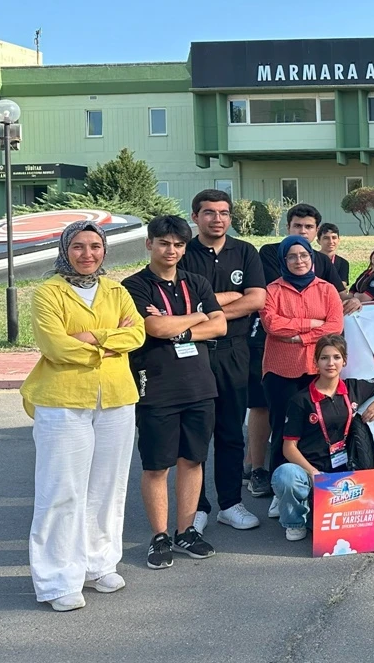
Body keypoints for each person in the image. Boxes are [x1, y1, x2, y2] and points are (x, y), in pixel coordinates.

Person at [20, 221, 145, 611]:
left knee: (108, 487)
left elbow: (137, 334)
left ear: (104, 249)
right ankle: (57, 580)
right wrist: (110, 341)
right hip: (63, 400)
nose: (87, 254)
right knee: (61, 490)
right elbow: (55, 346)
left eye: (95, 246)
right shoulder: (48, 292)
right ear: (65, 249)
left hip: (116, 397)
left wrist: (91, 337)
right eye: (78, 246)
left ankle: (98, 563)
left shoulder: (116, 290)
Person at [124, 215, 228, 569]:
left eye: (179, 245)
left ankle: (186, 531)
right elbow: (154, 326)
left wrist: (181, 328)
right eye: (164, 243)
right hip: (157, 387)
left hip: (199, 385)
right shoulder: (134, 286)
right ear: (149, 244)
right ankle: (159, 536)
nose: (171, 250)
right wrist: (197, 317)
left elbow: (220, 324)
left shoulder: (196, 282)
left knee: (193, 460)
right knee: (157, 466)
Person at [247, 203, 344, 502]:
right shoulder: (272, 290)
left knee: (314, 428)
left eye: (304, 255)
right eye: (292, 256)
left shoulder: (327, 289)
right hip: (281, 370)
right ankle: (282, 490)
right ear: (283, 259)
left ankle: (314, 487)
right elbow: (272, 324)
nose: (299, 261)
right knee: (282, 430)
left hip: (316, 370)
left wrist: (299, 336)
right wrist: (311, 325)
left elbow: (335, 326)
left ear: (312, 258)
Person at [181, 189, 265, 532]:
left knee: (231, 432)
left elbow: (256, 299)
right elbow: (180, 303)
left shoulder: (245, 251)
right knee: (196, 433)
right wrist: (230, 299)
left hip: (234, 351)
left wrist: (208, 311)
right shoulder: (183, 253)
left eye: (224, 213)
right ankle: (196, 508)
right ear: (195, 217)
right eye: (209, 212)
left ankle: (230, 504)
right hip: (194, 352)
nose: (217, 219)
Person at [273, 335, 374, 541]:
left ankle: (315, 509)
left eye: (336, 357)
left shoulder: (353, 388)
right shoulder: (301, 400)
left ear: (344, 361)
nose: (330, 363)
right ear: (316, 363)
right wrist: (314, 474)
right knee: (285, 475)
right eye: (324, 358)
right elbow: (289, 448)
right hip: (311, 472)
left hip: (343, 474)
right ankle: (295, 522)